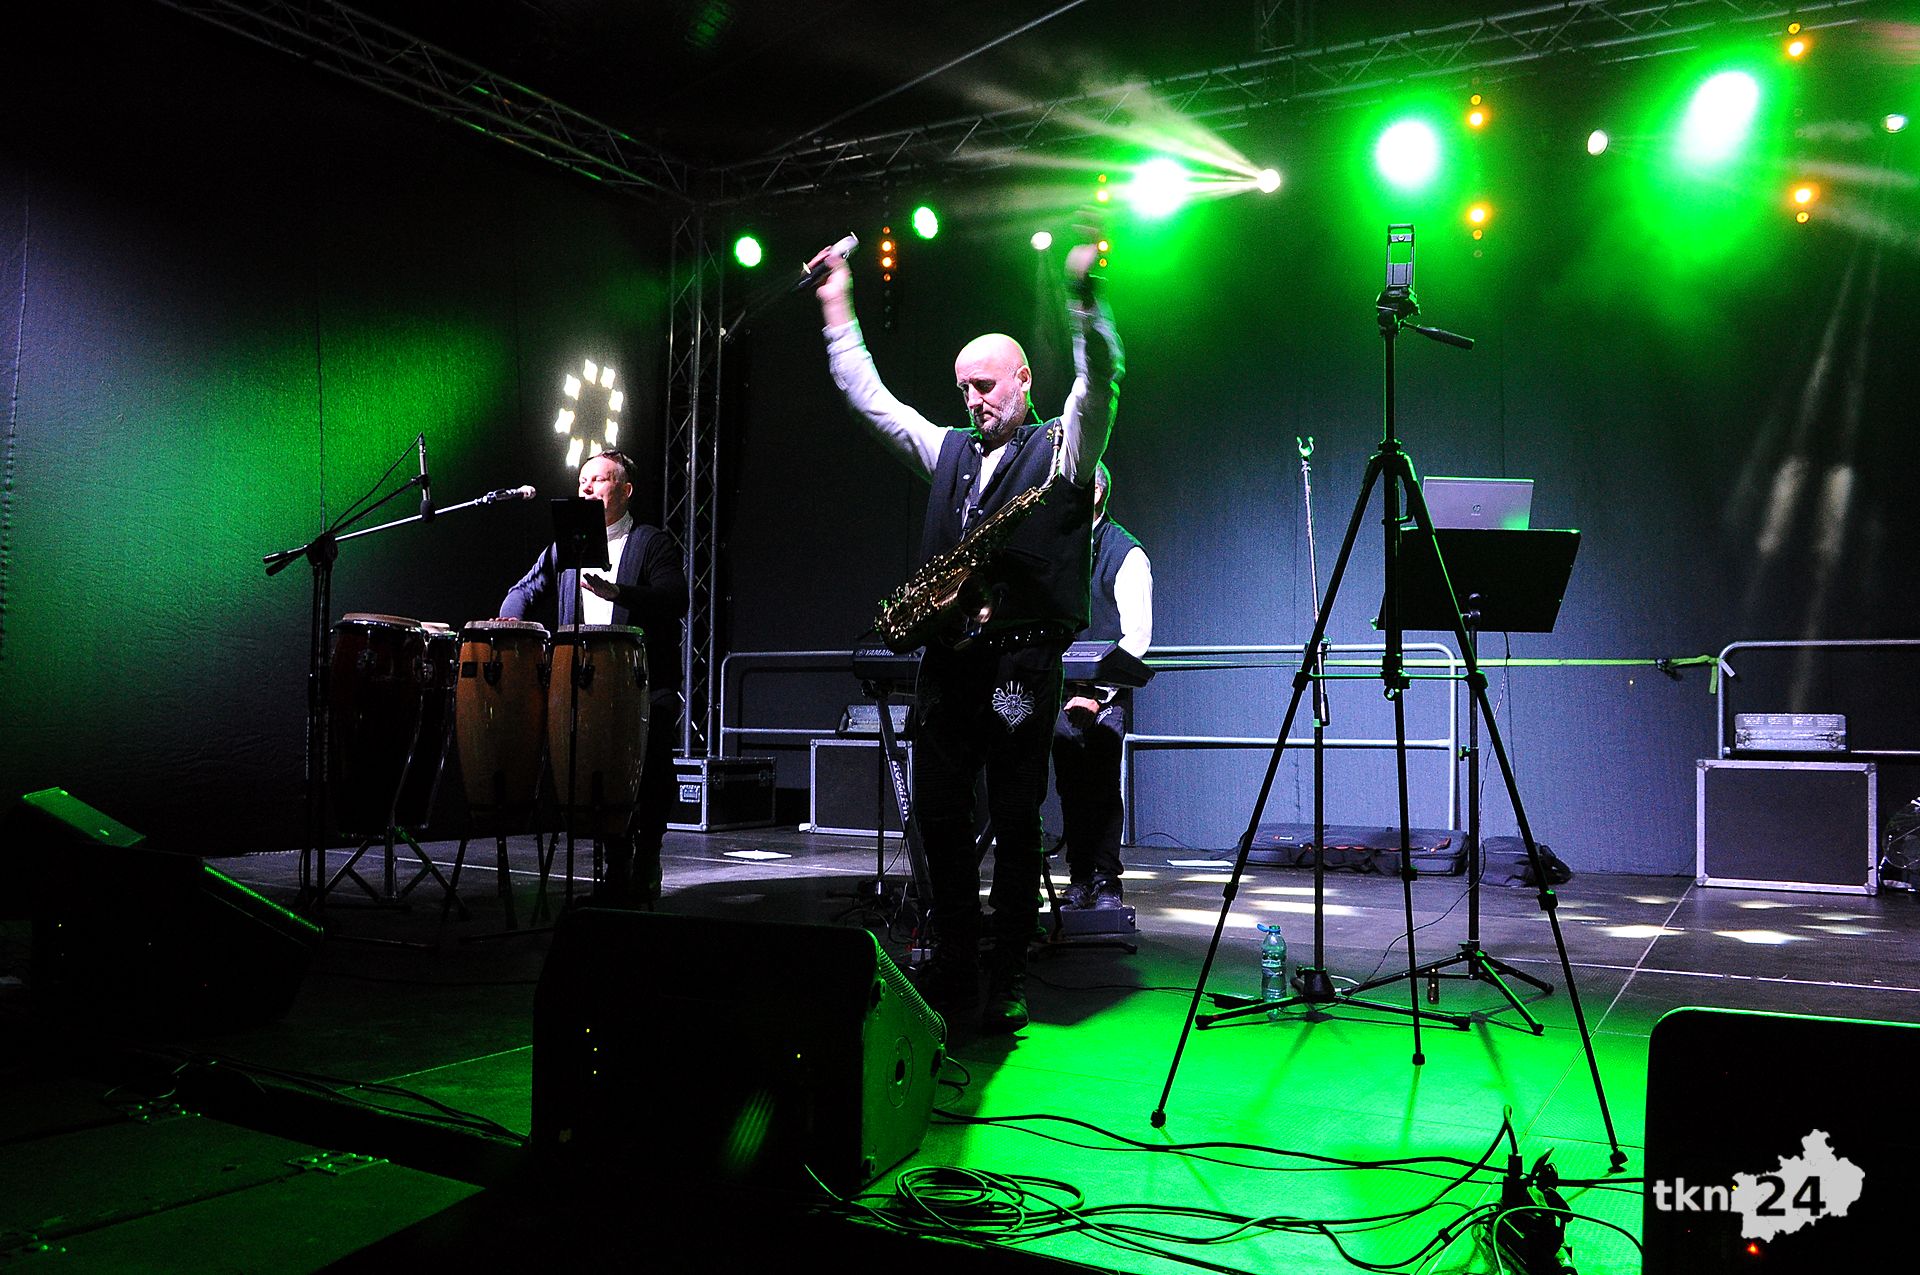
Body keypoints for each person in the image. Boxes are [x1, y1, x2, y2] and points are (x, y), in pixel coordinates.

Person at [810, 231, 1122, 1033]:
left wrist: (1085, 305)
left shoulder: (1064, 448)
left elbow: (1099, 385)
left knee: (1016, 820)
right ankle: (954, 959)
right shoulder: (948, 450)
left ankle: (1007, 969)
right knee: (940, 818)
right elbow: (870, 399)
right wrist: (838, 303)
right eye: (962, 388)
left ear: (1023, 379)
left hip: (1020, 667)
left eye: (985, 385)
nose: (972, 400)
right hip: (949, 666)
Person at [499, 449, 688, 905]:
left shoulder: (651, 542)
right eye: (582, 480)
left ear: (625, 490)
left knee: (650, 769)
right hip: (584, 682)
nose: (586, 487)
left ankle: (648, 854)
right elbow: (525, 589)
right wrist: (510, 618)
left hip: (644, 681)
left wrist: (618, 592)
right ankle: (617, 862)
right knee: (597, 773)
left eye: (599, 480)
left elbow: (674, 598)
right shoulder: (567, 546)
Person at [1054, 462, 1152, 911]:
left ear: (1094, 494)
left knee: (1102, 786)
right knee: (1070, 786)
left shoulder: (1126, 553)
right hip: (1061, 692)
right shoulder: (1061, 545)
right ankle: (1079, 877)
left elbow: (1136, 637)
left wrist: (1095, 694)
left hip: (1105, 695)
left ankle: (1106, 879)